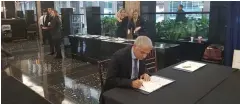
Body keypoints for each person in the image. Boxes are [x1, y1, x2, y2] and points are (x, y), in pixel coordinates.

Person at [100, 36, 153, 104]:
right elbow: (110, 80)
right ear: (134, 46)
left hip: (134, 91)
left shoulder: (141, 54)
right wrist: (130, 83)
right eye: (142, 52)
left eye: (147, 53)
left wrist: (146, 73)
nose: (144, 56)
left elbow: (143, 68)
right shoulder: (119, 57)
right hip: (116, 92)